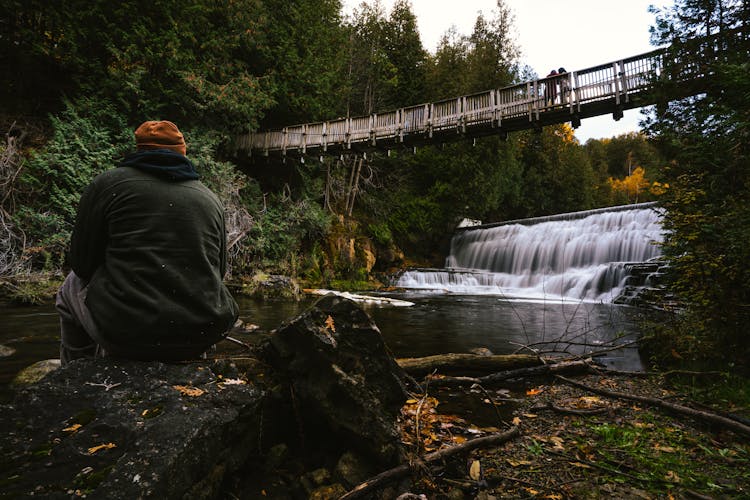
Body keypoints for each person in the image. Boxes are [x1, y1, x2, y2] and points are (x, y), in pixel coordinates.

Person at [55, 120, 239, 365]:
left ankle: (77, 371)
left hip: (129, 336)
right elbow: (218, 273)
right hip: (200, 333)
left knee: (71, 284)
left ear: (140, 149)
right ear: (182, 153)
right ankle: (193, 360)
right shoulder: (209, 197)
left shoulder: (108, 184)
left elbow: (82, 264)